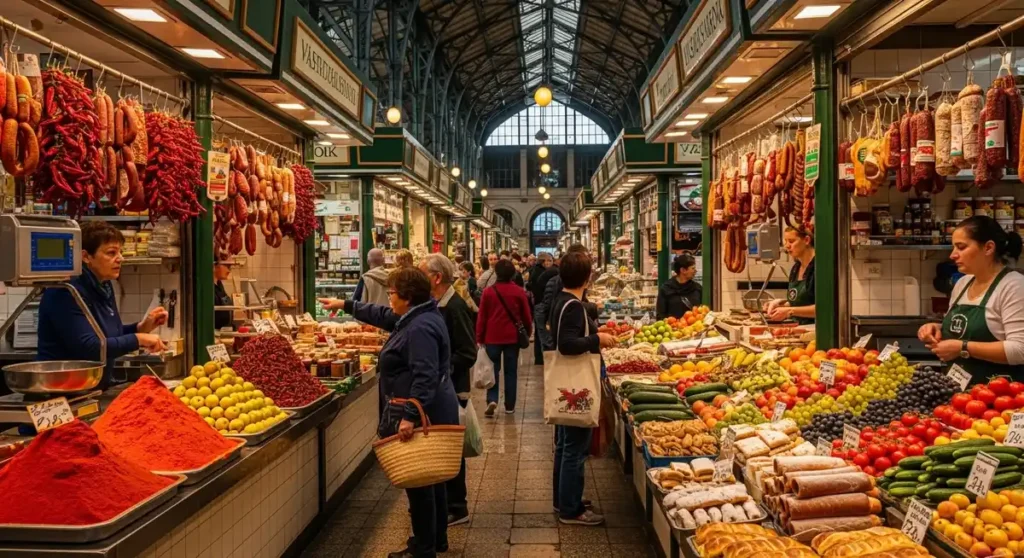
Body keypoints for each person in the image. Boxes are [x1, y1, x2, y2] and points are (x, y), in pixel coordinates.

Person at [319, 268, 459, 558]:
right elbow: (384, 316)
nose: (389, 297)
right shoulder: (418, 316)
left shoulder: (420, 327)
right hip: (430, 408)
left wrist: (409, 415)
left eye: (392, 293)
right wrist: (346, 305)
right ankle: (436, 539)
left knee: (418, 480)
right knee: (431, 479)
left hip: (423, 413)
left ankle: (424, 548)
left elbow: (425, 375)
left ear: (407, 298)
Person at [38, 221, 167, 388]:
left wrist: (140, 327)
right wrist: (138, 339)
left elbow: (108, 336)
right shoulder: (64, 291)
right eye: (111, 253)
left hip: (92, 387)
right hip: (61, 390)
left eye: (120, 252)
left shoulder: (103, 285)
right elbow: (90, 348)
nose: (120, 258)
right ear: (86, 257)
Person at [548, 250, 617, 526]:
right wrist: (596, 339)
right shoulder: (573, 306)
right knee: (575, 448)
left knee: (566, 445)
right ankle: (571, 509)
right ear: (587, 277)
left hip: (568, 383)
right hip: (576, 385)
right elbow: (567, 344)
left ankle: (563, 499)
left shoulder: (562, 300)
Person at [917, 216, 1024, 381]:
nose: (953, 255)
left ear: (988, 248)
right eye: (954, 247)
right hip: (960, 395)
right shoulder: (963, 283)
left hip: (1000, 397)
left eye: (961, 247)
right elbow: (965, 329)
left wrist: (963, 348)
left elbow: (1020, 350)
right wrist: (937, 328)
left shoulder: (1013, 285)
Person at [419, 255, 477, 527]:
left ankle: (457, 506)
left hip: (453, 389)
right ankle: (447, 502)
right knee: (443, 446)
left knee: (451, 448)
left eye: (423, 274)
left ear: (437, 277)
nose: (419, 279)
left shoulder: (454, 307)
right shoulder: (437, 305)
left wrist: (440, 367)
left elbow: (468, 353)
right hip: (444, 387)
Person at [476, 259, 532, 417]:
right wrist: (527, 332)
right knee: (510, 372)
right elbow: (526, 316)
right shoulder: (519, 291)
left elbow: (482, 317)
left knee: (492, 370)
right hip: (512, 338)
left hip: (492, 337)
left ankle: (492, 399)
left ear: (497, 273)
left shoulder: (488, 292)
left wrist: (479, 337)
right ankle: (509, 405)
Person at [764, 227, 816, 324]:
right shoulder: (796, 268)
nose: (787, 246)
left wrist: (789, 311)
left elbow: (825, 309)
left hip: (818, 331)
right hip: (798, 328)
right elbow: (801, 302)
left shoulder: (820, 267)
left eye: (791, 241)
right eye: (785, 241)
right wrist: (781, 305)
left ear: (807, 240)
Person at [657, 254, 702, 319]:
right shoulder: (666, 289)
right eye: (693, 268)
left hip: (695, 328)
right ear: (683, 270)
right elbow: (661, 315)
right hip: (673, 327)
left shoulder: (697, 288)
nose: (695, 271)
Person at [528, 253, 555, 364]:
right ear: (541, 262)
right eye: (546, 261)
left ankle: (539, 358)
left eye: (550, 260)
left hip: (539, 305)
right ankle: (543, 358)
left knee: (540, 333)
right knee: (543, 333)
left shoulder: (537, 271)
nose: (548, 263)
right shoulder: (541, 273)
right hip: (541, 305)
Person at [214, 258, 234, 330]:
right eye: (226, 266)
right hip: (215, 333)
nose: (229, 271)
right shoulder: (208, 287)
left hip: (224, 331)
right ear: (214, 266)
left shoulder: (219, 284)